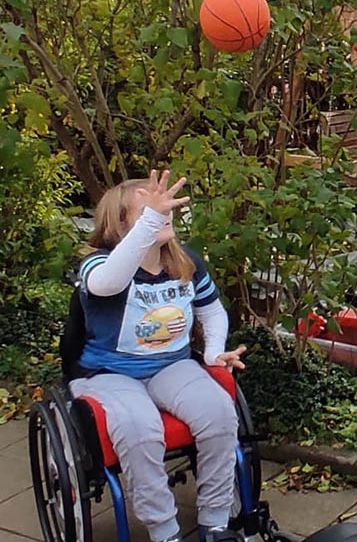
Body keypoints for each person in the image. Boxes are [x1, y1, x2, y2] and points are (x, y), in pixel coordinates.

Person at [70, 170, 247, 542]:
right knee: (140, 430)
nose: (163, 215)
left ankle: (216, 522)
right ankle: (164, 531)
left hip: (172, 365)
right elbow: (108, 284)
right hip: (107, 372)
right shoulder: (97, 264)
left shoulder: (184, 262)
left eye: (164, 211)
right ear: (121, 224)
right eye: (150, 210)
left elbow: (211, 310)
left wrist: (214, 352)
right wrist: (150, 223)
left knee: (218, 413)